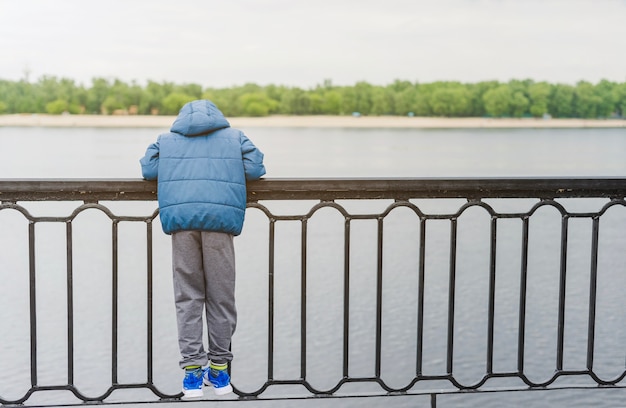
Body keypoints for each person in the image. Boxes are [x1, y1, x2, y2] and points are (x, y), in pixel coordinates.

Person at [140, 99, 266, 398]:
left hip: (182, 223)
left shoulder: (166, 140)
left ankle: (192, 375)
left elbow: (148, 170)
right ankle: (220, 372)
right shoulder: (235, 137)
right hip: (220, 223)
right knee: (221, 296)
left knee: (188, 297)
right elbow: (256, 167)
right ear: (218, 116)